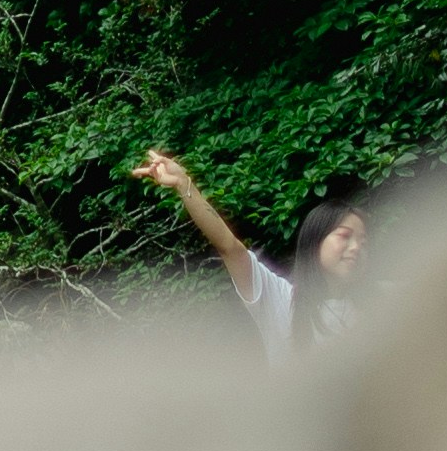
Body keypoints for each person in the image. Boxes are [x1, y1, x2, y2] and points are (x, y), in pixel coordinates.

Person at [134, 147, 370, 353]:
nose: (356, 247)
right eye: (345, 236)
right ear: (315, 242)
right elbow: (230, 248)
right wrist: (184, 183)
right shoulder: (282, 301)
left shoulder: (380, 307)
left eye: (363, 241)